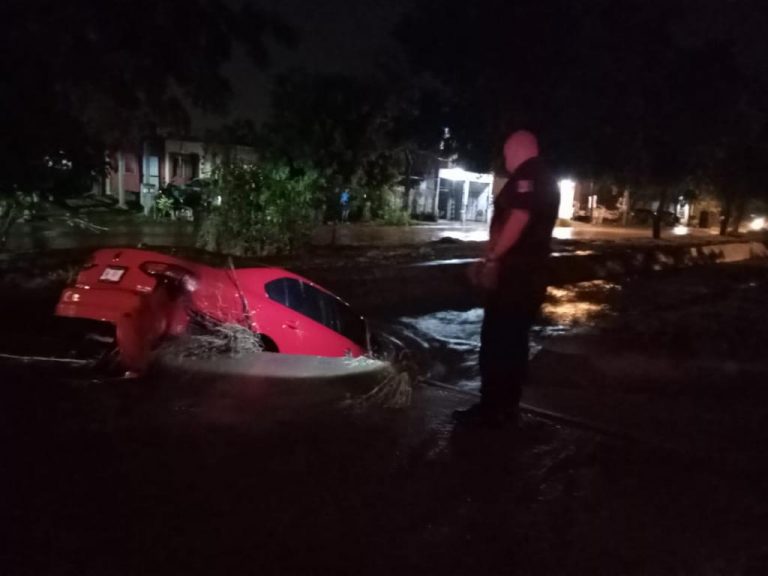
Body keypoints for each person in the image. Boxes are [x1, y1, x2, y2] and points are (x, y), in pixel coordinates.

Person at [454, 130, 560, 428]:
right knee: (514, 343)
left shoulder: (529, 175)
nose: (505, 158)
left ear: (518, 149)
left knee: (498, 342)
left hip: (515, 279)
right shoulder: (546, 177)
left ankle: (491, 409)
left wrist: (493, 256)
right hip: (529, 278)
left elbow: (519, 218)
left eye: (507, 151)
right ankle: (506, 408)